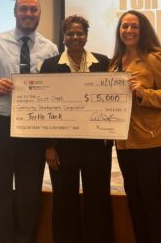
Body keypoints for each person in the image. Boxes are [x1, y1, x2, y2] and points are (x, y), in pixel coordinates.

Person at [0, 0, 58, 243]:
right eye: (23, 9)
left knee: (30, 192)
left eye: (33, 10)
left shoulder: (50, 49)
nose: (28, 14)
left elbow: (56, 89)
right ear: (15, 12)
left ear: (39, 13)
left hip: (33, 129)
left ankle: (25, 239)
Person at [110, 10, 161, 243]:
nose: (128, 31)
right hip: (124, 141)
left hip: (151, 140)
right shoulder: (115, 63)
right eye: (124, 26)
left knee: (150, 200)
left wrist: (143, 93)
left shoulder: (155, 58)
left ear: (143, 30)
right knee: (134, 200)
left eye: (134, 26)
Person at [41, 15, 113, 243]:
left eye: (79, 33)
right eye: (70, 33)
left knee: (98, 197)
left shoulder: (103, 62)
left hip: (96, 144)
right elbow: (44, 106)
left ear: (86, 36)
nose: (75, 37)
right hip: (63, 146)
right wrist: (49, 146)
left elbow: (111, 101)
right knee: (64, 198)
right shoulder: (50, 65)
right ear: (63, 37)